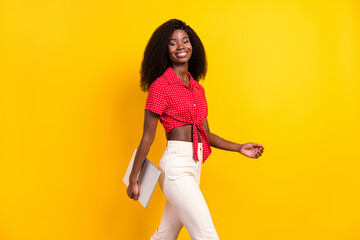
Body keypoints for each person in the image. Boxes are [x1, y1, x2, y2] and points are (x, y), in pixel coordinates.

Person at [127, 19, 264, 240]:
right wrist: (134, 179)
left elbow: (206, 134)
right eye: (173, 43)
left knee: (165, 234)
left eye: (185, 41)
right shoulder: (160, 87)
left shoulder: (198, 89)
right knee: (206, 235)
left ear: (193, 46)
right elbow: (147, 138)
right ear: (164, 49)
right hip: (176, 168)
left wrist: (239, 147)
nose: (181, 47)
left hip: (195, 164)